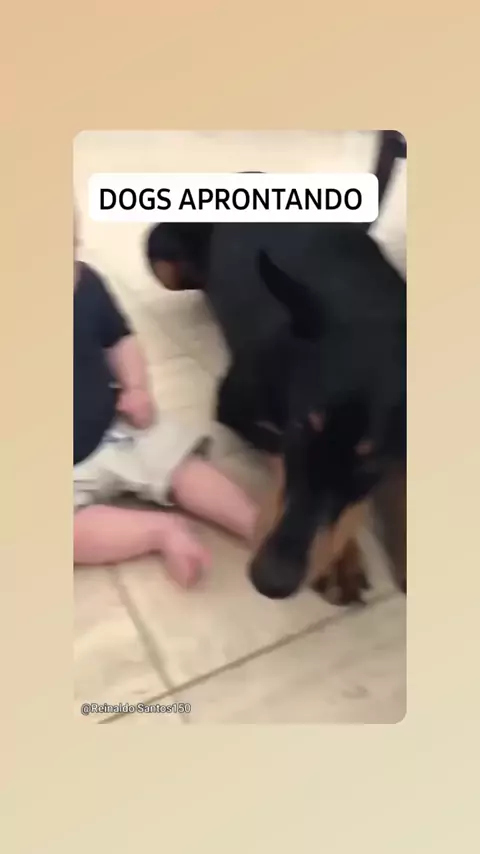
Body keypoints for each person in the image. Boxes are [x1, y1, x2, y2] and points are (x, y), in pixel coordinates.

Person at [74, 220, 258, 588]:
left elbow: (119, 340)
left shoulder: (87, 285)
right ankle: (160, 531)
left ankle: (257, 524)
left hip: (117, 423)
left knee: (180, 463)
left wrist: (136, 388)